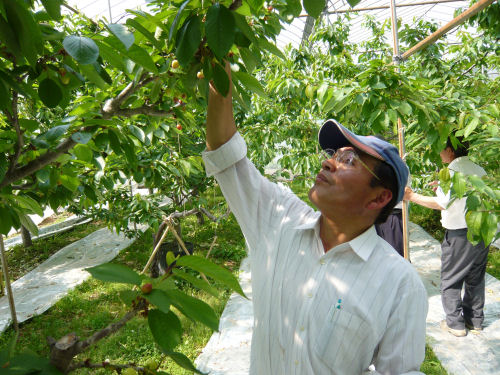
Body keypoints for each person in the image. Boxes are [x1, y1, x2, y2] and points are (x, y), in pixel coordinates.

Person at [202, 66, 428, 374]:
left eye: (349, 160)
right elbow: (226, 154)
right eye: (335, 153)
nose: (329, 161)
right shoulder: (278, 219)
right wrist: (219, 74)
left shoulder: (400, 284)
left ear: (379, 198)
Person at [405, 136, 488, 337]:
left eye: (441, 148)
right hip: (482, 231)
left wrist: (412, 197)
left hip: (461, 234)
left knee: (451, 278)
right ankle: (474, 320)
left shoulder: (452, 172)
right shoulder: (478, 170)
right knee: (475, 278)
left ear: (450, 150)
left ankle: (455, 324)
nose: (439, 152)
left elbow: (442, 203)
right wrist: (442, 187)